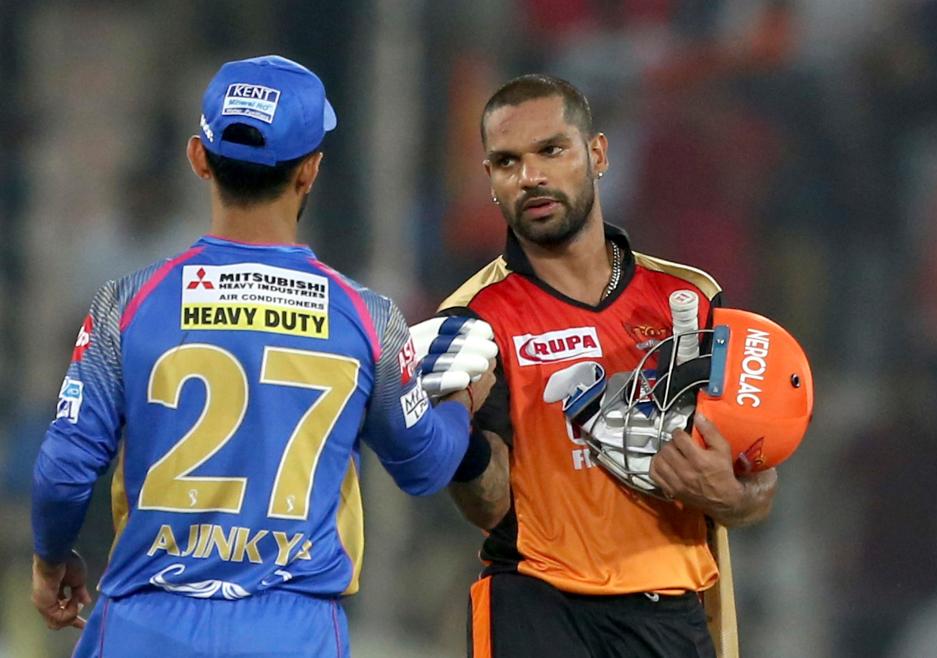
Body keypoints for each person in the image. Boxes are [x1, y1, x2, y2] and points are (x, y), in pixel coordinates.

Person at [30, 55, 495, 658]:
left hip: (147, 625)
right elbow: (426, 466)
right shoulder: (369, 319)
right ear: (310, 171)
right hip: (292, 631)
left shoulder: (127, 302)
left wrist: (49, 560)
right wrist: (458, 401)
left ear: (198, 157)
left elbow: (62, 472)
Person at [435, 74, 778, 658]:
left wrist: (729, 495)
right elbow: (488, 506)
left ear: (596, 154)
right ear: (491, 179)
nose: (531, 177)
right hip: (537, 604)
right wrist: (453, 436)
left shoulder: (692, 302)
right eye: (506, 162)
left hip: (670, 611)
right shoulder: (474, 318)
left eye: (551, 150)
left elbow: (758, 483)